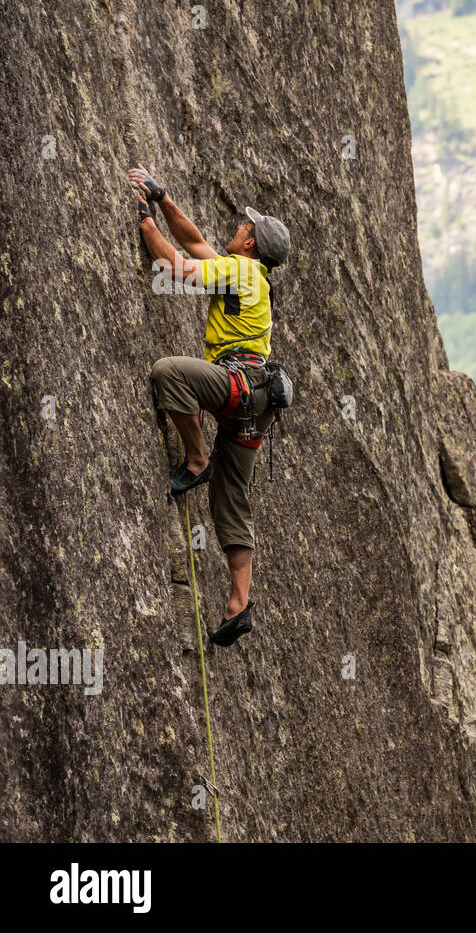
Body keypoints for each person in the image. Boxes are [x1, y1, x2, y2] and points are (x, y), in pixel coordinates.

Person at [130, 166, 290, 647]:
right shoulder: (250, 275)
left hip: (236, 385)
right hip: (258, 401)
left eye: (245, 226)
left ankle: (197, 458)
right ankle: (239, 603)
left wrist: (145, 224)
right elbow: (197, 244)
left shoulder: (239, 270)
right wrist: (163, 199)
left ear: (249, 242)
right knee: (233, 499)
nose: (239, 226)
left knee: (169, 373)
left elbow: (176, 267)